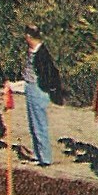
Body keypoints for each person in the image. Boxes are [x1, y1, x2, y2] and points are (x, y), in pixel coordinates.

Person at [20, 25, 63, 167]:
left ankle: (45, 158)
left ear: (29, 37)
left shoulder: (42, 54)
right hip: (31, 87)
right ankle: (39, 154)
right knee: (34, 124)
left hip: (37, 90)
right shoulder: (32, 50)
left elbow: (49, 75)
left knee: (39, 124)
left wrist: (46, 89)